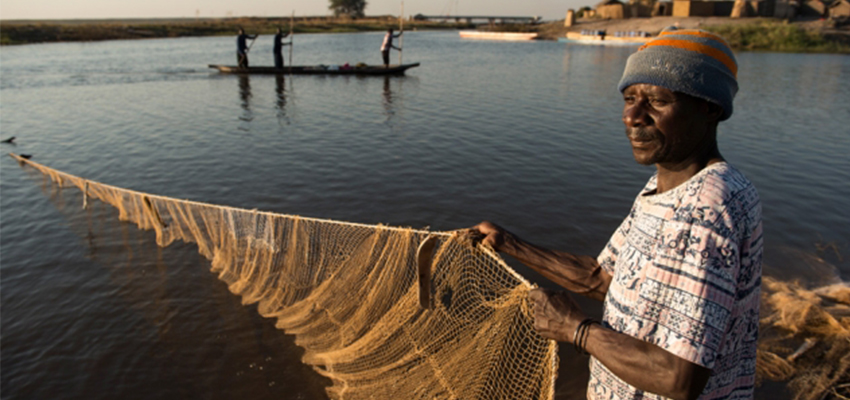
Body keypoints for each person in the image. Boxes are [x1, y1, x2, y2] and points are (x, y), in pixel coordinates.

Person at [469, 28, 762, 400]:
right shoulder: (664, 187)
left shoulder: (706, 209)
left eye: (656, 100)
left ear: (710, 108)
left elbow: (679, 378)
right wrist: (508, 242)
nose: (632, 116)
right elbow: (603, 278)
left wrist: (575, 327)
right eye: (629, 98)